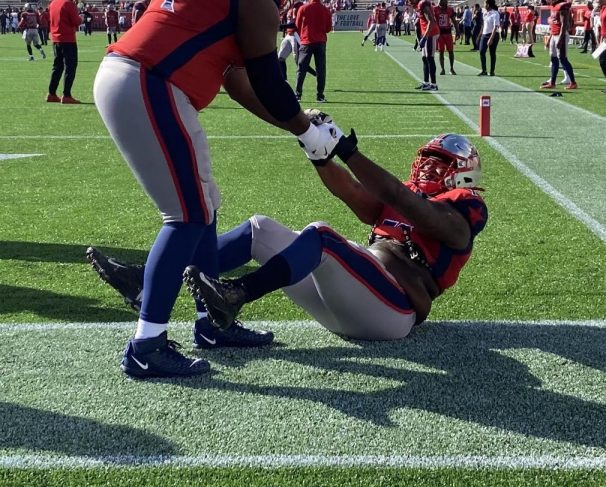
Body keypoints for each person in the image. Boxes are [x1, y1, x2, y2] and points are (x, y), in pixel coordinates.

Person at [91, 0, 341, 379]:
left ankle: (211, 322)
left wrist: (299, 126)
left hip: (145, 79)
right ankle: (146, 344)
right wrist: (308, 131)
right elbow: (267, 80)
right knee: (186, 216)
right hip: (150, 81)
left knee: (204, 207)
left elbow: (240, 83)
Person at [88, 129, 488, 342]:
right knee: (259, 228)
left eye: (441, 166)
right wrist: (318, 150)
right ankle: (150, 283)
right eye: (428, 163)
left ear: (462, 172)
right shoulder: (402, 196)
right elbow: (351, 191)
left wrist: (347, 151)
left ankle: (237, 294)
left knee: (322, 236)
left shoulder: (465, 206)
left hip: (391, 312)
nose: (429, 171)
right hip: (352, 298)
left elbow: (401, 198)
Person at [294, 0, 333, 102]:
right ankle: (320, 96)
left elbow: (297, 24)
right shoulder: (325, 10)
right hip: (320, 42)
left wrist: (305, 33)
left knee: (301, 68)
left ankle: (298, 95)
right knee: (321, 70)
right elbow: (328, 29)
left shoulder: (303, 8)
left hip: (306, 41)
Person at [46, 0, 82, 104]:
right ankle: (66, 95)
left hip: (56, 39)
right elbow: (76, 22)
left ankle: (51, 93)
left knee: (57, 66)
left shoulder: (52, 3)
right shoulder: (69, 4)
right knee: (70, 67)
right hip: (68, 39)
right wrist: (80, 17)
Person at [540, 0, 577, 90]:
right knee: (553, 58)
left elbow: (564, 24)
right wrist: (550, 38)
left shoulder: (562, 6)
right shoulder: (554, 6)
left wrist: (560, 39)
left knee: (563, 59)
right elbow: (554, 25)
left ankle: (573, 82)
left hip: (561, 35)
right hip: (554, 34)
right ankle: (552, 82)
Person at [416, 0, 440, 91]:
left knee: (430, 58)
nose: (409, 0)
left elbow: (431, 21)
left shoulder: (423, 4)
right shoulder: (419, 4)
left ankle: (433, 84)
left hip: (431, 33)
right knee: (424, 58)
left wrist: (425, 38)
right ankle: (426, 82)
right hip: (426, 32)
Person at [478, 0, 500, 76]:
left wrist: (491, 38)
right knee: (481, 51)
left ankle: (492, 71)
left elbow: (495, 27)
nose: (484, 5)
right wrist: (480, 35)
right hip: (485, 34)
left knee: (492, 53)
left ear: (488, 4)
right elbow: (484, 25)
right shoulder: (485, 13)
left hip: (493, 35)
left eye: (485, 4)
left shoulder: (495, 13)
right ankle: (484, 70)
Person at [435, 0, 456, 76]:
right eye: (444, 0)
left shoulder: (450, 9)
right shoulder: (435, 9)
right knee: (441, 52)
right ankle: (442, 69)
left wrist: (457, 30)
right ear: (440, 1)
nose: (446, 1)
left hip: (448, 33)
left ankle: (451, 68)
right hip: (440, 34)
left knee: (451, 51)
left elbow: (454, 21)